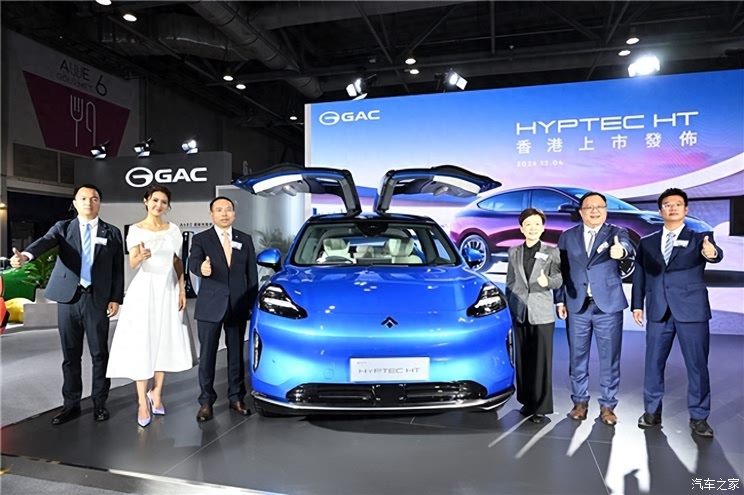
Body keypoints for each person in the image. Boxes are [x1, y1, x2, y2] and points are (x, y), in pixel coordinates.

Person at [10, 184, 124, 425]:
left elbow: (117, 268)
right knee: (70, 355)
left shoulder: (111, 232)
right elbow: (45, 242)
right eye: (83, 198)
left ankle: (100, 403)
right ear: (75, 203)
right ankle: (71, 404)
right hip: (68, 299)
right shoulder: (62, 228)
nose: (88, 202)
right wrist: (25, 256)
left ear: (99, 202)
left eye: (94, 198)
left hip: (96, 299)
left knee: (99, 354)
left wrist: (115, 298)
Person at [631, 188, 723, 438]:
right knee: (653, 363)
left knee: (697, 365)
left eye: (678, 204)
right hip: (658, 310)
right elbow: (640, 274)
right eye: (667, 204)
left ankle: (699, 416)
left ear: (686, 209)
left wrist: (712, 253)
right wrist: (637, 304)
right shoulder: (647, 242)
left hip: (691, 311)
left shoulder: (700, 237)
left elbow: (714, 254)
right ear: (660, 210)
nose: (672, 208)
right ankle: (651, 411)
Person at [106, 185, 194, 428]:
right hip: (144, 291)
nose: (159, 205)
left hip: (168, 290)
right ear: (146, 201)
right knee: (143, 343)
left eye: (163, 202)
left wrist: (181, 288)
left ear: (168, 206)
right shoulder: (135, 230)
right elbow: (133, 263)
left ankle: (156, 393)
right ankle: (142, 402)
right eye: (155, 200)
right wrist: (142, 256)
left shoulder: (173, 230)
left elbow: (177, 261)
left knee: (163, 341)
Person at [555, 191, 634, 426]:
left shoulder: (617, 233)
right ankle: (580, 402)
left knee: (609, 358)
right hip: (577, 305)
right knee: (577, 357)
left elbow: (627, 248)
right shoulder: (567, 236)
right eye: (589, 207)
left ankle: (608, 405)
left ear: (606, 210)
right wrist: (559, 300)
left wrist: (622, 252)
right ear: (581, 212)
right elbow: (560, 270)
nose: (594, 211)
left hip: (607, 306)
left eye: (599, 206)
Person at [189, 196, 258, 422]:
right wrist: (201, 268)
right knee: (207, 356)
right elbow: (193, 262)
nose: (224, 214)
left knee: (236, 354)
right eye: (219, 210)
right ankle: (206, 402)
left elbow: (252, 275)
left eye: (228, 209)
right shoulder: (201, 239)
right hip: (210, 306)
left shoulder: (244, 239)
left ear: (234, 214)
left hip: (237, 305)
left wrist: (251, 303)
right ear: (211, 214)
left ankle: (236, 398)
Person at [506, 208, 562, 424]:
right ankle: (527, 401)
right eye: (528, 224)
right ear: (521, 228)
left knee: (541, 362)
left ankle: (540, 407)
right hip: (520, 312)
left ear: (543, 227)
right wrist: (510, 308)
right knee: (524, 360)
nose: (532, 228)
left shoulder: (551, 252)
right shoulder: (514, 252)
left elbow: (559, 279)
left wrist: (548, 282)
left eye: (537, 224)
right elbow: (511, 281)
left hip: (542, 313)